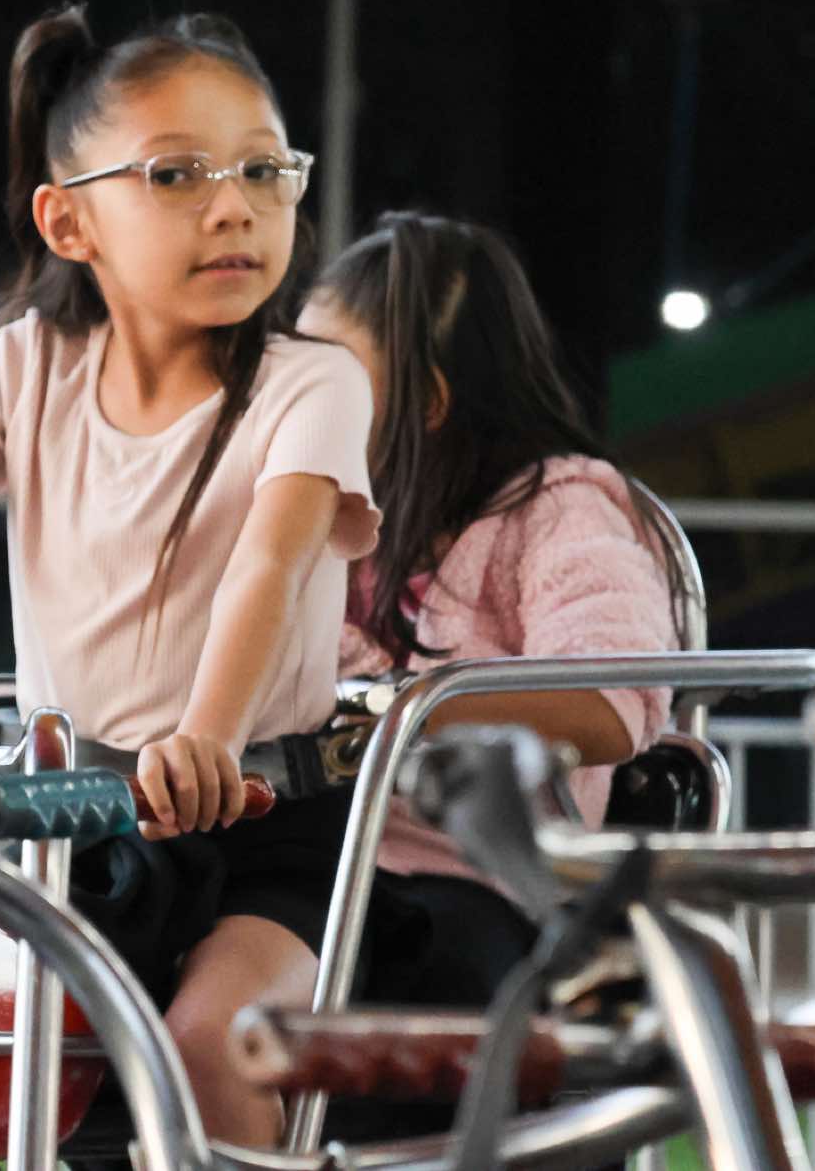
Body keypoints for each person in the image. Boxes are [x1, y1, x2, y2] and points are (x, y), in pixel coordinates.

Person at [0, 3, 379, 1145]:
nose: (233, 205)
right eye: (175, 175)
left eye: (263, 169)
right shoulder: (27, 367)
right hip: (67, 827)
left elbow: (269, 562)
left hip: (265, 819)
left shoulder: (311, 379)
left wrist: (205, 739)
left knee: (210, 1046)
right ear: (67, 220)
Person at [298, 210, 691, 1141]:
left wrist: (402, 710)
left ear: (427, 403)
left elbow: (614, 699)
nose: (294, 403)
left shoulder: (558, 509)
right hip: (316, 869)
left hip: (479, 883)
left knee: (418, 985)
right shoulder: (314, 516)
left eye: (324, 378)